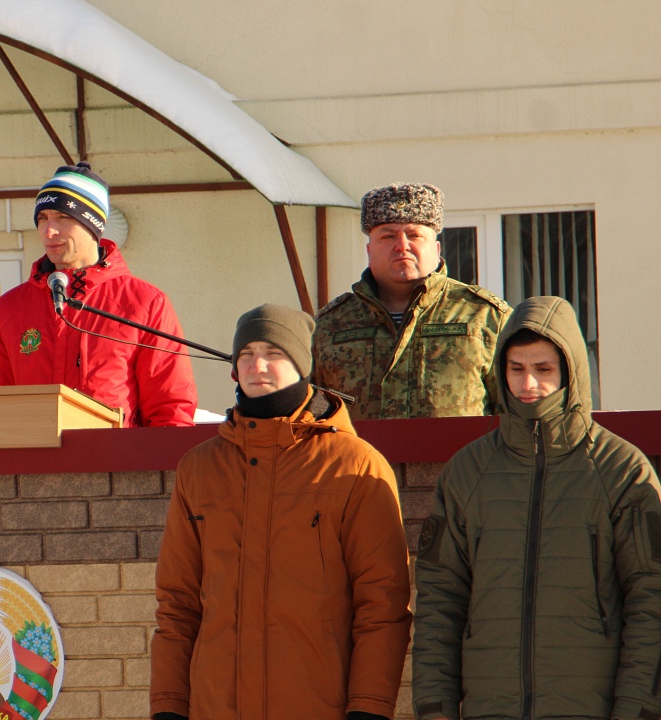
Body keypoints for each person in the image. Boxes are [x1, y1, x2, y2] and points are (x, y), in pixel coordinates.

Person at [152, 304, 411, 720]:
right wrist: (169, 705)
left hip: (318, 706)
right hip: (215, 706)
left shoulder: (355, 465)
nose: (257, 365)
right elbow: (177, 605)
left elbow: (381, 605)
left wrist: (369, 707)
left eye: (274, 353)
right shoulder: (199, 468)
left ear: (302, 364)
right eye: (246, 353)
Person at [412, 296, 661, 720]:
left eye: (543, 369)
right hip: (490, 707)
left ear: (569, 370)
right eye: (516, 369)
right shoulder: (467, 471)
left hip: (589, 708)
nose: (528, 383)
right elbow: (439, 600)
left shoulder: (621, 470)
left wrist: (639, 709)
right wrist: (435, 708)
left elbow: (651, 599)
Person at [0, 162, 197, 427]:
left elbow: (170, 410)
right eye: (43, 217)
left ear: (92, 224)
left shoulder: (145, 303)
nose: (49, 231)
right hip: (32, 453)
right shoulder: (9, 308)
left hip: (115, 453)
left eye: (63, 217)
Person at [313, 182, 511, 420]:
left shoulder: (485, 316)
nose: (402, 246)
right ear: (369, 250)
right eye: (388, 236)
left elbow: (515, 415)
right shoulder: (329, 326)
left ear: (436, 249)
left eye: (415, 235)